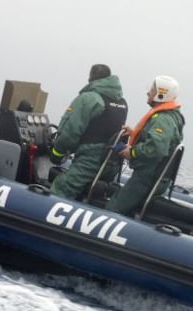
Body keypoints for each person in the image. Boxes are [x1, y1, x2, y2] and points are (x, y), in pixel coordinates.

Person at [105, 75, 184, 215]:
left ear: (161, 94)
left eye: (152, 90)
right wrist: (135, 134)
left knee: (114, 208)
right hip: (155, 177)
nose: (148, 92)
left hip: (147, 177)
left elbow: (156, 149)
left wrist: (132, 152)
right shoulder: (170, 117)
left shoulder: (162, 119)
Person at [49, 64, 128, 199]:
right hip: (110, 164)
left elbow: (69, 133)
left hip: (89, 161)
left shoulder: (89, 98)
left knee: (61, 188)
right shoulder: (122, 102)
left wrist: (56, 153)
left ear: (90, 78)